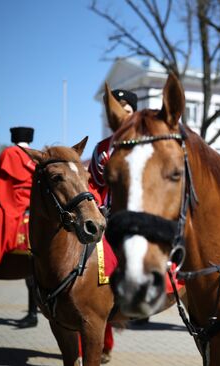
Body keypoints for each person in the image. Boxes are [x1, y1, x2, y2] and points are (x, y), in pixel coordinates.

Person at [88, 89, 138, 364]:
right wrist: (96, 207)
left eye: (126, 109)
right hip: (105, 216)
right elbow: (94, 185)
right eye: (115, 110)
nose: (120, 115)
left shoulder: (145, 143)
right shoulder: (101, 148)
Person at [0, 126, 39, 327]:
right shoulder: (35, 156)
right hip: (30, 205)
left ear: (13, 137)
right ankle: (33, 313)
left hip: (9, 204)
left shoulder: (8, 153)